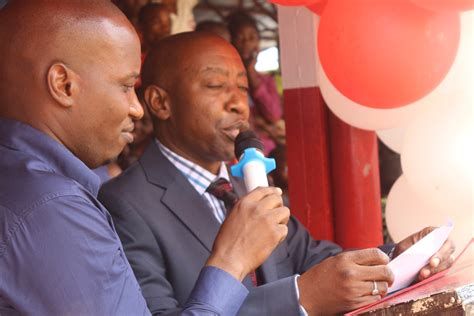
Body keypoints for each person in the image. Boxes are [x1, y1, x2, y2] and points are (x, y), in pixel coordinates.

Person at [98, 31, 456, 316]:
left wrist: (396, 259)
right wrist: (301, 298)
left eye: (241, 86)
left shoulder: (245, 183)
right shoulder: (125, 204)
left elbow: (316, 259)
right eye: (214, 86)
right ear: (161, 103)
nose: (239, 102)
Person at [0, 2, 290, 315]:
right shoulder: (52, 209)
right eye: (126, 86)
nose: (137, 109)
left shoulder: (26, 183)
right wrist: (231, 262)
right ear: (63, 84)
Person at [227, 10, 283, 155]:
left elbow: (274, 114)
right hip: (238, 151)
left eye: (251, 38)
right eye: (240, 38)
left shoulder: (266, 81)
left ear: (258, 42)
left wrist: (251, 74)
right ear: (231, 41)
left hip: (267, 151)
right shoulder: (227, 81)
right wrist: (257, 123)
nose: (246, 43)